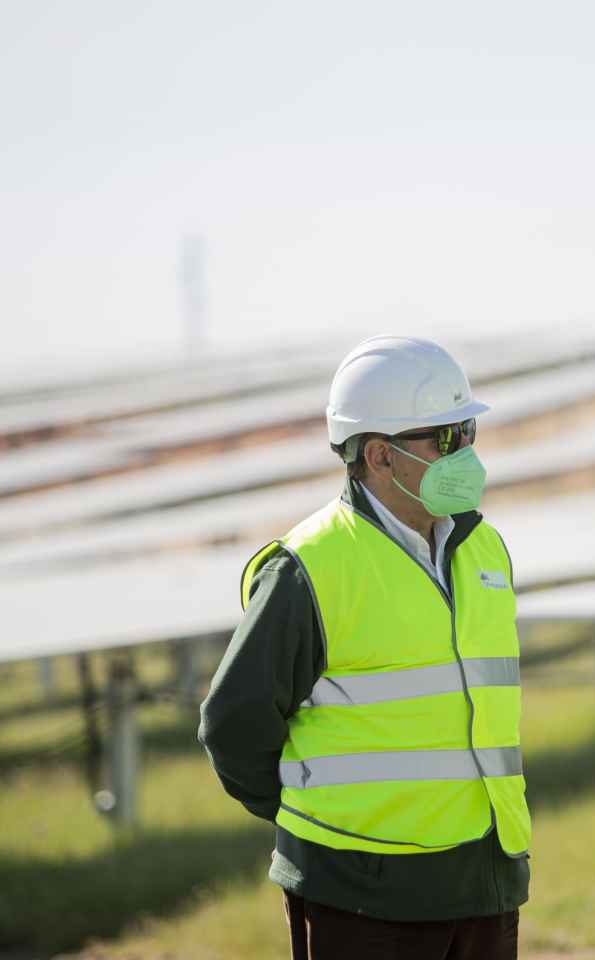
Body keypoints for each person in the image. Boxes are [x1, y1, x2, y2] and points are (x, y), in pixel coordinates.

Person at [199, 335, 529, 960]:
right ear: (379, 454)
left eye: (468, 432)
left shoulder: (484, 549)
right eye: (447, 439)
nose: (467, 453)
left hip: (484, 884)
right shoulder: (310, 568)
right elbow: (233, 724)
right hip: (359, 897)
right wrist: (312, 818)